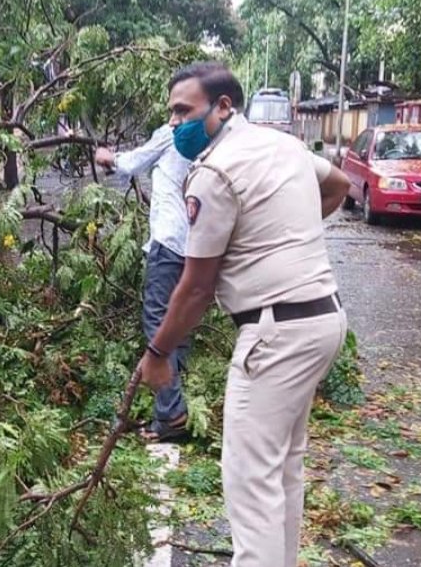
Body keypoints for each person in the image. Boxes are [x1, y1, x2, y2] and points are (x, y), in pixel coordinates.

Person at [137, 62, 352, 567]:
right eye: (171, 112)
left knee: (250, 481)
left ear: (224, 106)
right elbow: (339, 184)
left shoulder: (212, 172)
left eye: (183, 110)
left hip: (275, 335)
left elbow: (195, 288)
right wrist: (277, 230)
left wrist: (158, 353)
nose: (175, 123)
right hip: (323, 321)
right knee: (282, 470)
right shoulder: (283, 145)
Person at [94, 128, 192, 442]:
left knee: (157, 322)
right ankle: (176, 397)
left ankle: (171, 412)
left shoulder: (176, 132)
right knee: (180, 322)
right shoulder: (208, 134)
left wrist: (107, 156)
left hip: (168, 240)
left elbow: (132, 163)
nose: (175, 114)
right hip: (193, 244)